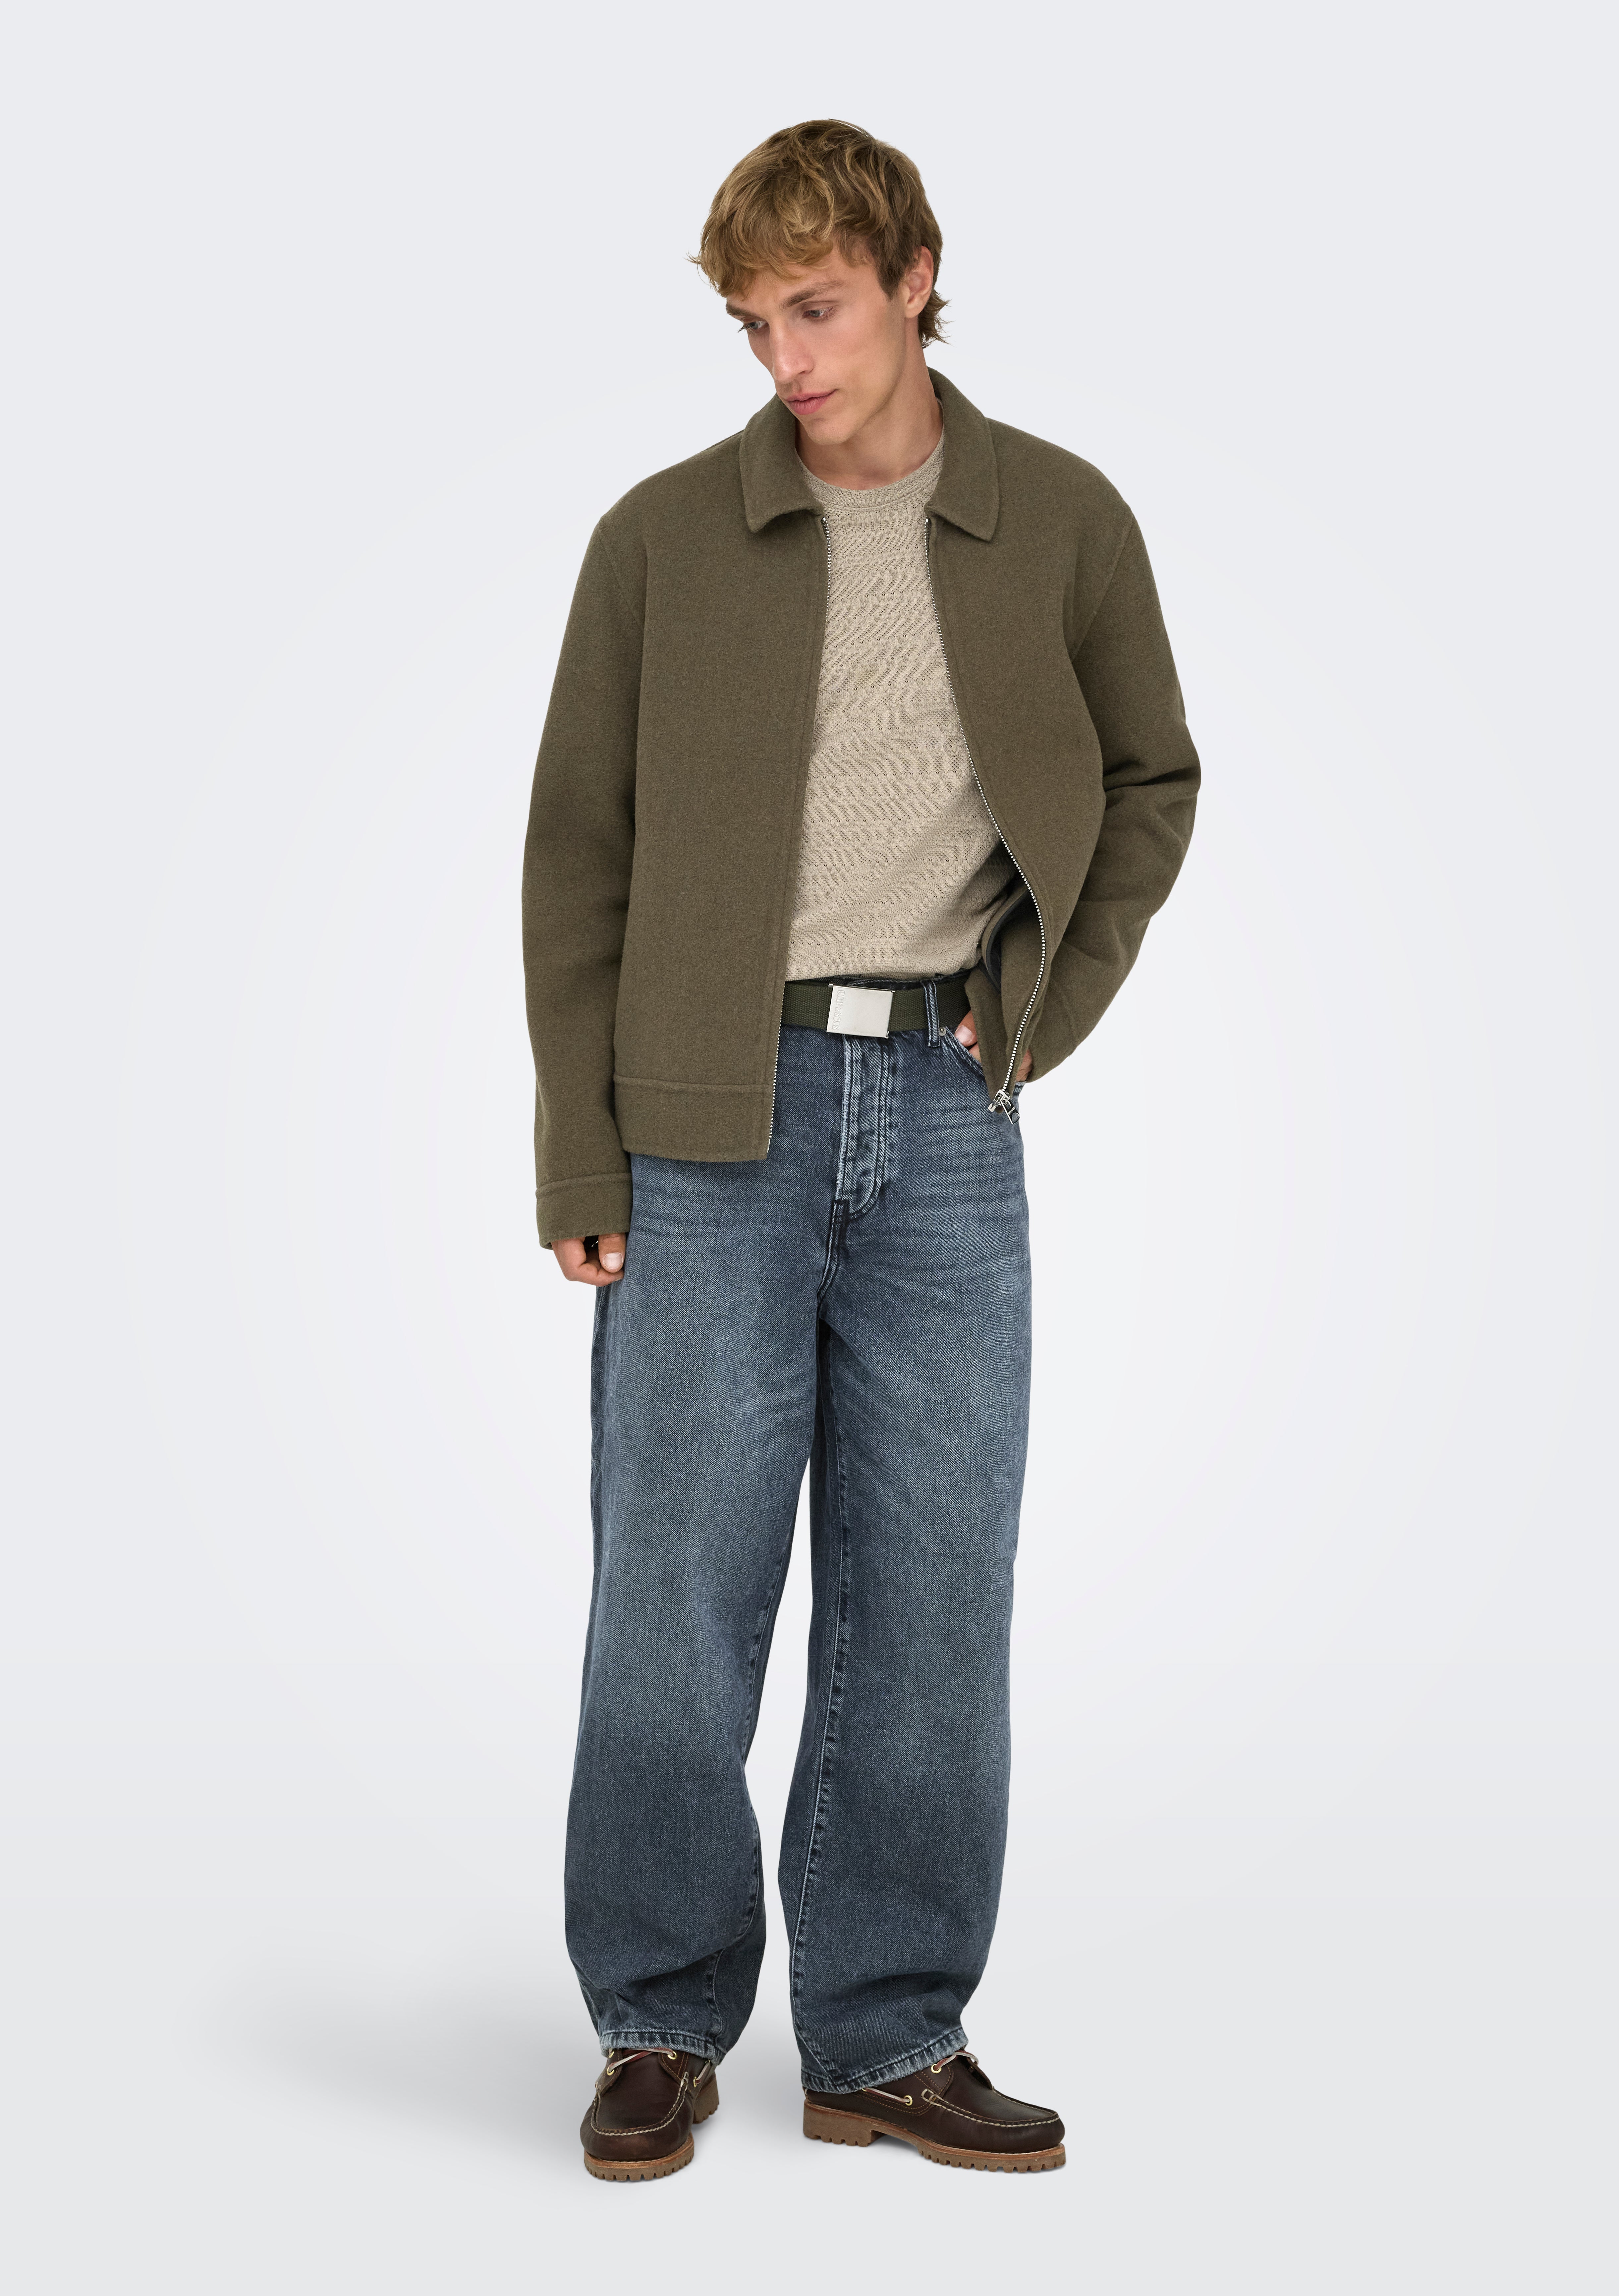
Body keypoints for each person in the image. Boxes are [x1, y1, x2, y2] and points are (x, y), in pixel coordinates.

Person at [522, 118, 1199, 2181]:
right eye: (754, 324)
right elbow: (577, 858)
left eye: (816, 307)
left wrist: (1045, 1000)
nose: (788, 360)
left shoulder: (1059, 521)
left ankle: (889, 2034)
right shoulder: (662, 540)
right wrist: (580, 1152)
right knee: (674, 1589)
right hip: (702, 1120)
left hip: (949, 1117)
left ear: (914, 274)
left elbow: (1154, 776)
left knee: (932, 1595)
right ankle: (659, 2016)